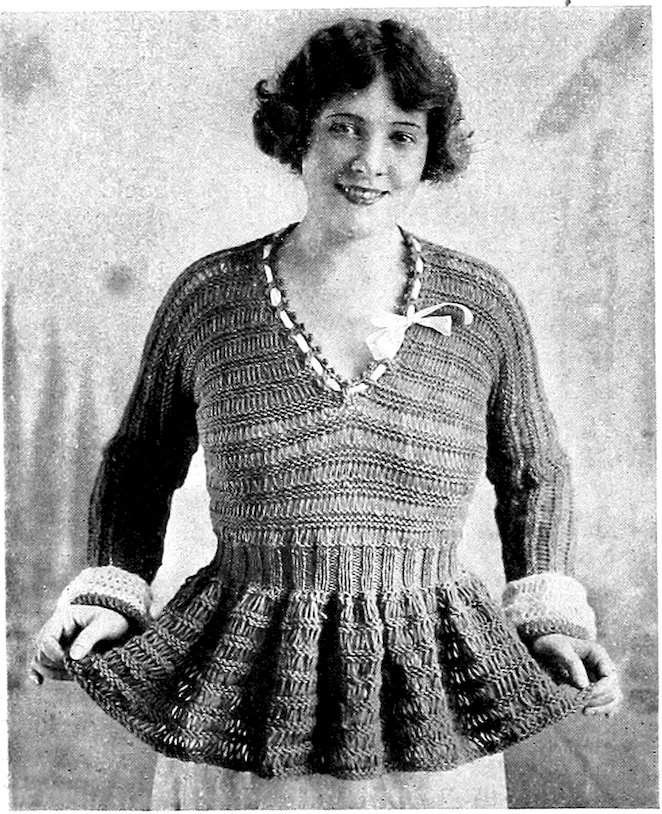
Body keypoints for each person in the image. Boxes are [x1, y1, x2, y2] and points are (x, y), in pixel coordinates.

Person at [32, 16, 622, 809]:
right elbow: (139, 461)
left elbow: (534, 472)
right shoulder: (211, 299)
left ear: (430, 151)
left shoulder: (480, 305)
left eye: (402, 136)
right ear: (298, 132)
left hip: (427, 711)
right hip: (243, 709)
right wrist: (109, 592)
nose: (370, 162)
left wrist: (549, 616)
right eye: (345, 126)